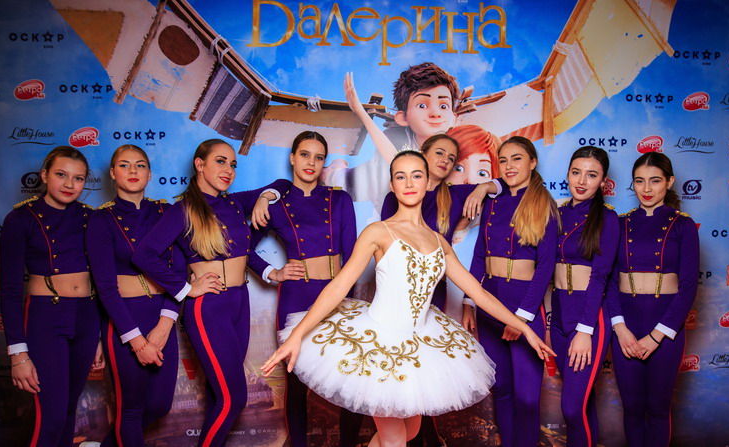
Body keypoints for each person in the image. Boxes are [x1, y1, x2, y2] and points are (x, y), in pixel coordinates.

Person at [261, 150, 555, 447]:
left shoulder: (439, 242)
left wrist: (526, 328)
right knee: (394, 438)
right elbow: (339, 286)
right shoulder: (378, 232)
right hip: (378, 344)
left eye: (416, 175)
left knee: (410, 431)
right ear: (392, 185)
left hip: (420, 348)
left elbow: (479, 293)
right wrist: (297, 335)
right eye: (401, 177)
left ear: (428, 182)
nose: (410, 183)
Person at [132, 139, 286, 447]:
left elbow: (284, 185)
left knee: (220, 395)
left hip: (240, 303)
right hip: (209, 309)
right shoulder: (183, 210)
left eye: (233, 164)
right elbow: (144, 254)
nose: (228, 170)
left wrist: (263, 198)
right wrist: (185, 288)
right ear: (199, 164)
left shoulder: (235, 203)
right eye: (220, 161)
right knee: (233, 399)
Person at [249, 131, 359, 447]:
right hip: (296, 297)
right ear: (292, 158)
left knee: (350, 379)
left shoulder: (339, 199)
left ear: (324, 163)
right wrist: (273, 272)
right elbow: (242, 247)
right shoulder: (277, 204)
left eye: (319, 157)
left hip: (337, 296)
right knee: (296, 383)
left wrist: (350, 303)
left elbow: (352, 256)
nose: (311, 162)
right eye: (305, 154)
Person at [0, 146, 105, 446]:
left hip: (86, 318)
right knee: (52, 416)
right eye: (61, 175)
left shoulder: (91, 218)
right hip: (46, 317)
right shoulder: (20, 219)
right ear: (44, 175)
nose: (70, 184)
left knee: (70, 410)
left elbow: (103, 280)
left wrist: (98, 336)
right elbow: (9, 290)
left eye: (78, 178)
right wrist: (18, 354)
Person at [461, 136, 559, 447]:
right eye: (503, 160)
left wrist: (521, 319)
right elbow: (479, 255)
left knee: (527, 398)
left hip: (524, 307)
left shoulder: (544, 205)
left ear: (533, 162)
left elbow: (545, 267)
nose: (509, 166)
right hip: (489, 303)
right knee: (501, 389)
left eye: (517, 159)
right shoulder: (492, 201)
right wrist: (468, 301)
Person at [86, 144, 182, 446]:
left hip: (163, 314)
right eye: (124, 165)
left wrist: (165, 324)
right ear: (112, 173)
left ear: (149, 174)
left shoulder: (166, 212)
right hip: (125, 320)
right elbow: (105, 287)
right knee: (131, 410)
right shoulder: (101, 219)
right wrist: (137, 341)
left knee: (160, 405)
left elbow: (179, 270)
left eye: (140, 165)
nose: (133, 171)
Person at [607, 152, 699, 447]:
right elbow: (609, 280)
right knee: (632, 407)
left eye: (655, 181)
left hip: (665, 327)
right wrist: (620, 328)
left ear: (669, 182)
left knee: (658, 409)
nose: (646, 189)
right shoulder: (619, 223)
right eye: (639, 181)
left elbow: (688, 287)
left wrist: (657, 336)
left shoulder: (683, 225)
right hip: (626, 326)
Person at [380, 133, 501, 310]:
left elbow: (505, 185)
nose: (445, 160)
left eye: (451, 158)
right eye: (439, 153)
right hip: (397, 285)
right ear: (422, 154)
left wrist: (482, 188)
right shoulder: (395, 196)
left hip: (434, 288)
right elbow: (386, 248)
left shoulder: (456, 195)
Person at [551, 147, 619, 447]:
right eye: (576, 172)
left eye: (591, 175)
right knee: (582, 404)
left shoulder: (607, 218)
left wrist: (584, 330)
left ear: (603, 181)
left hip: (588, 319)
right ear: (567, 174)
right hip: (559, 316)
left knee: (571, 408)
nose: (581, 181)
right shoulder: (557, 213)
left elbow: (601, 277)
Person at [326, 62, 460, 212]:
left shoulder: (456, 147)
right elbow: (395, 160)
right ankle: (335, 168)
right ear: (403, 117)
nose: (435, 113)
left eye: (443, 106)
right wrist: (360, 111)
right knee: (338, 180)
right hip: (372, 181)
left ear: (453, 118)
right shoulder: (396, 140)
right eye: (422, 105)